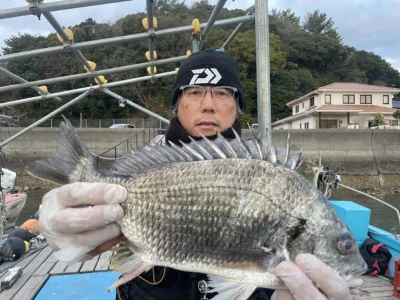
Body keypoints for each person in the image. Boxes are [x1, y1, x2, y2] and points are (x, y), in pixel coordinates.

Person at [38, 49, 351, 300]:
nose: (208, 105)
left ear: (238, 106)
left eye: (223, 93)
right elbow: (96, 243)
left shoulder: (279, 184)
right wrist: (66, 232)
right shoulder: (146, 169)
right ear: (177, 105)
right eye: (195, 92)